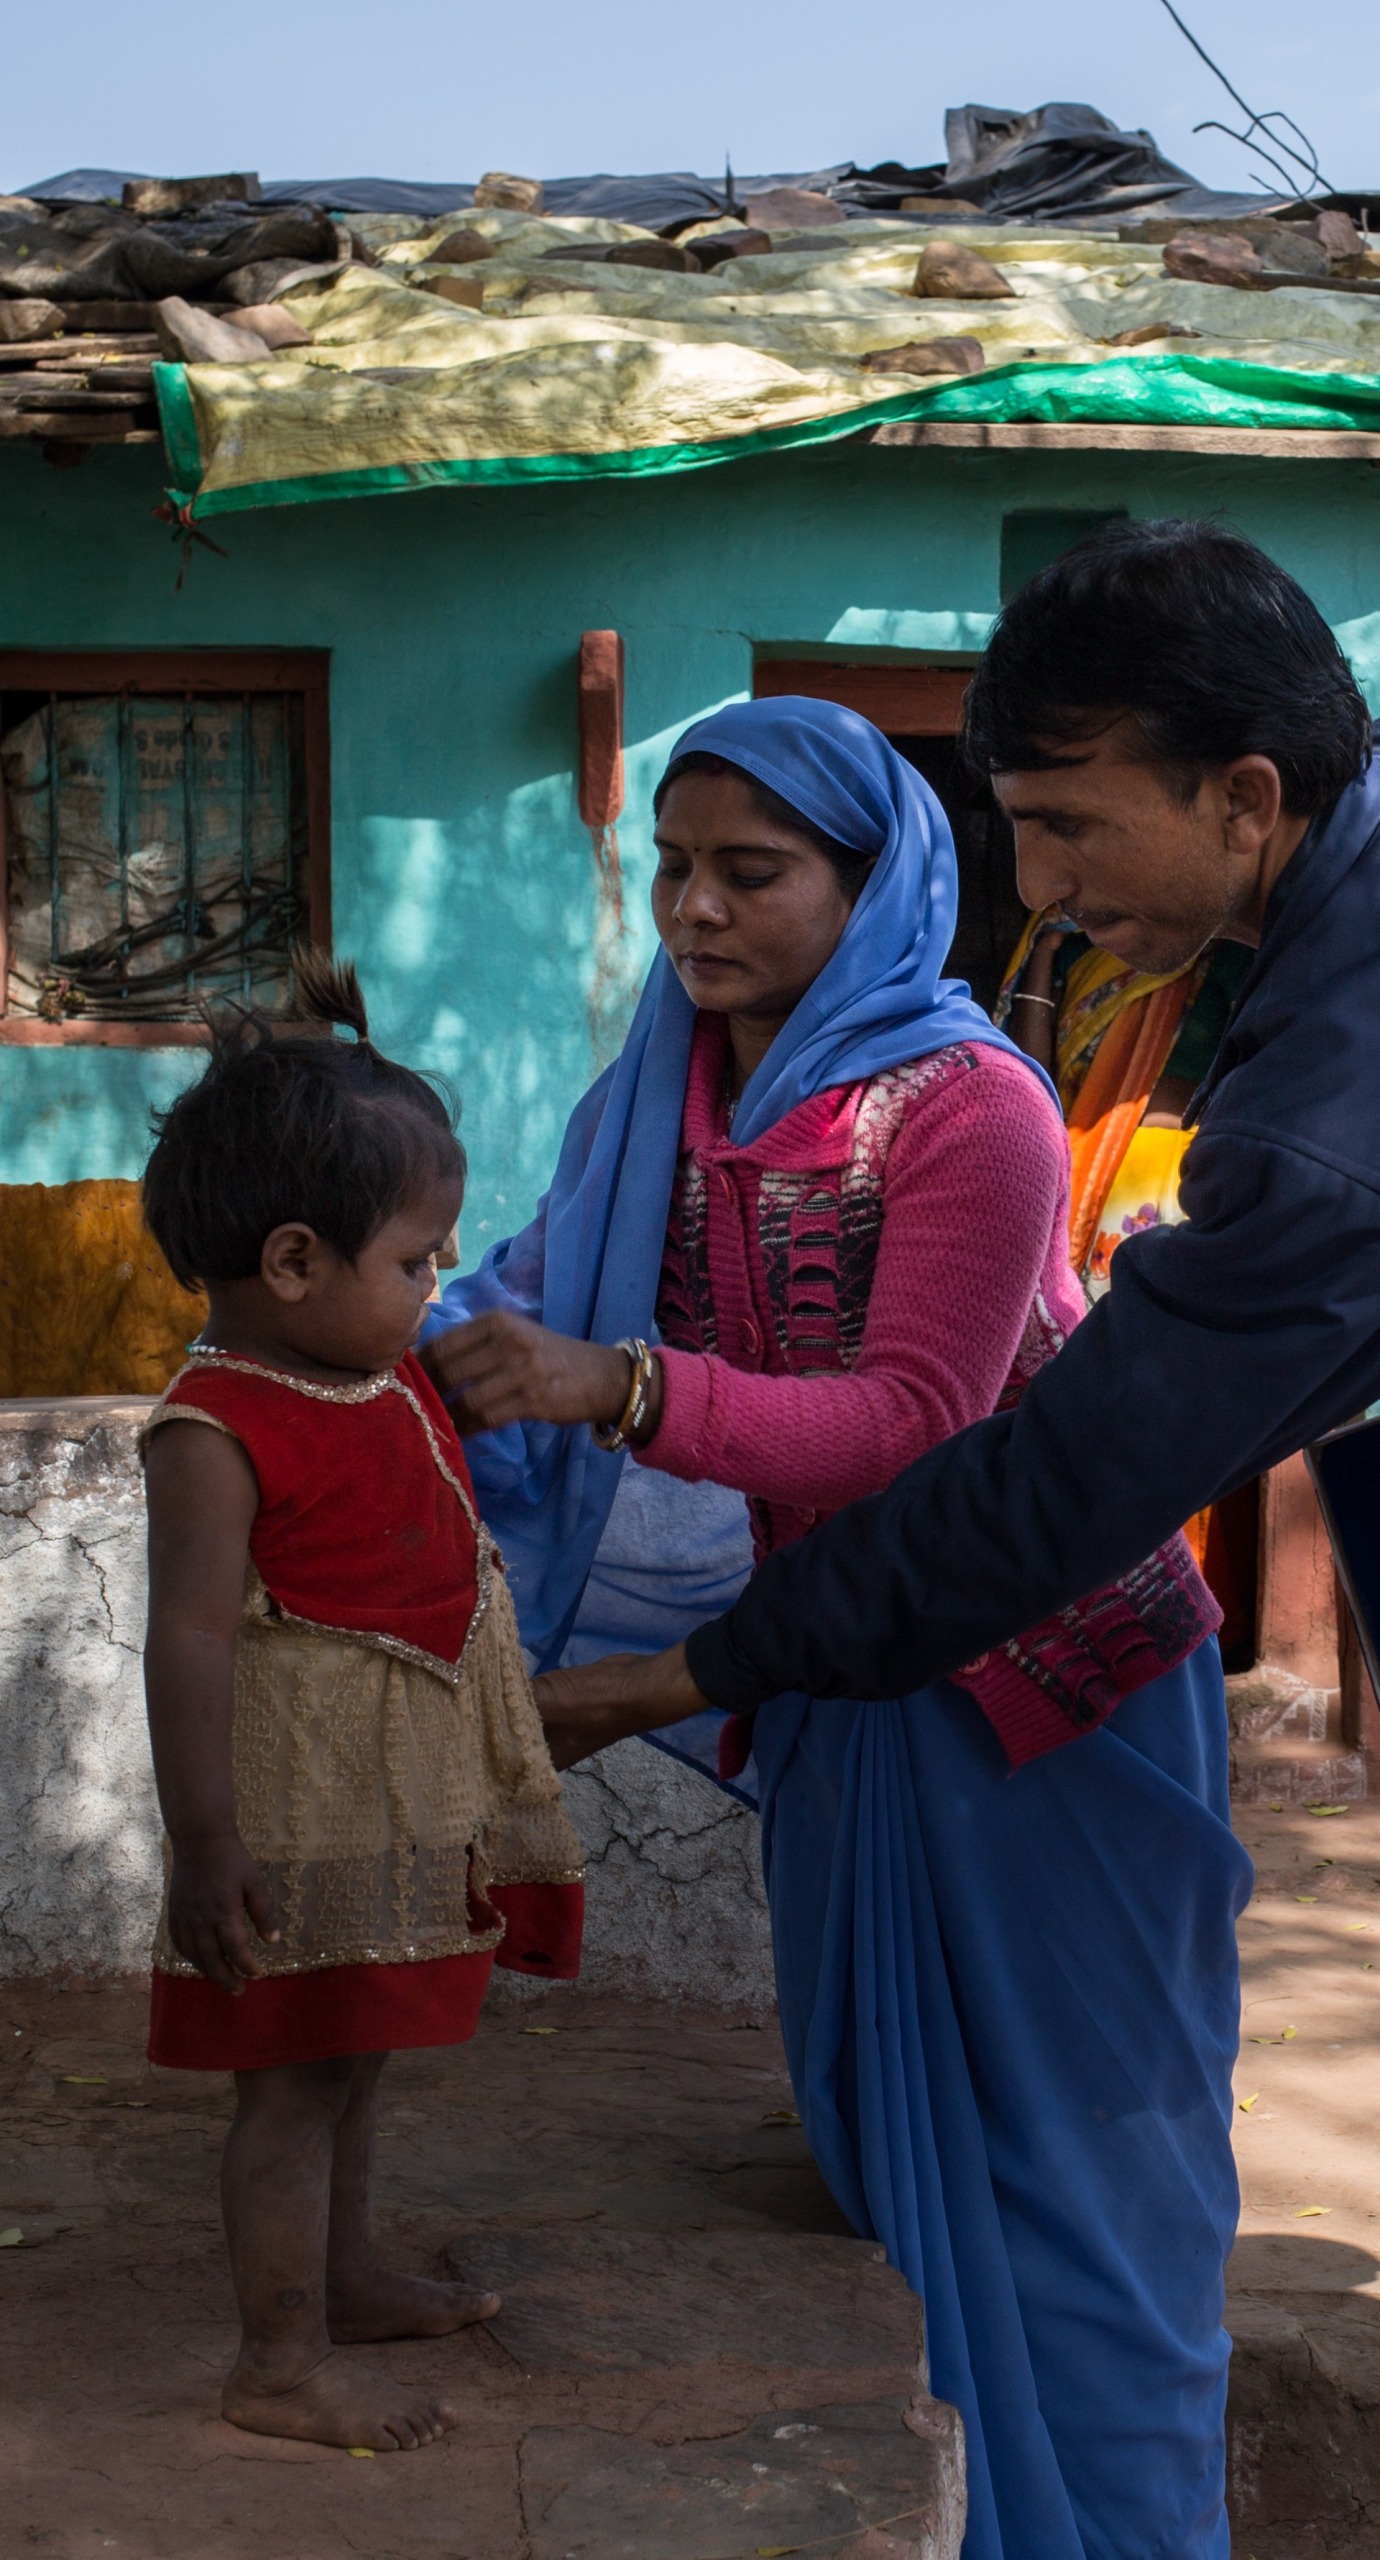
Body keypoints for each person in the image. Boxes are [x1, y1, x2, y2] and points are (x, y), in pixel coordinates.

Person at [420, 694, 1235, 2560]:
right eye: (675, 870)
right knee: (893, 2121)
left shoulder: (974, 1109)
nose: (696, 911)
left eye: (752, 872)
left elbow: (917, 1430)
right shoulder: (662, 1094)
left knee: (1079, 2162)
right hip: (844, 1672)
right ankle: (969, 2491)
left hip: (1049, 1687)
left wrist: (615, 1389)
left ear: (876, 891)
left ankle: (1109, 2520)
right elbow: (512, 1303)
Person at [138, 957, 583, 2454]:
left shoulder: (370, 1373)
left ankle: (343, 2274)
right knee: (293, 2078)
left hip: (385, 1796)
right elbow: (188, 1644)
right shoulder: (214, 1427)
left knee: (357, 2050)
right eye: (416, 1262)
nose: (435, 1289)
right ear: (290, 1264)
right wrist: (207, 1850)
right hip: (288, 1814)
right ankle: (277, 2363)